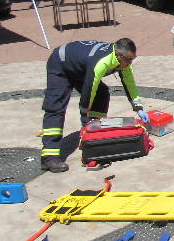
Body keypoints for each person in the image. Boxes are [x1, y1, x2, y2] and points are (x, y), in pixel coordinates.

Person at [39, 38, 149, 172]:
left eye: (133, 59)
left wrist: (138, 108)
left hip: (79, 66)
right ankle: (49, 158)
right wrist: (85, 116)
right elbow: (90, 90)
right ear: (119, 55)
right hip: (61, 64)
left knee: (102, 94)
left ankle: (96, 138)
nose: (130, 63)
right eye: (129, 59)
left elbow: (129, 83)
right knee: (55, 107)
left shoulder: (123, 61)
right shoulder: (101, 62)